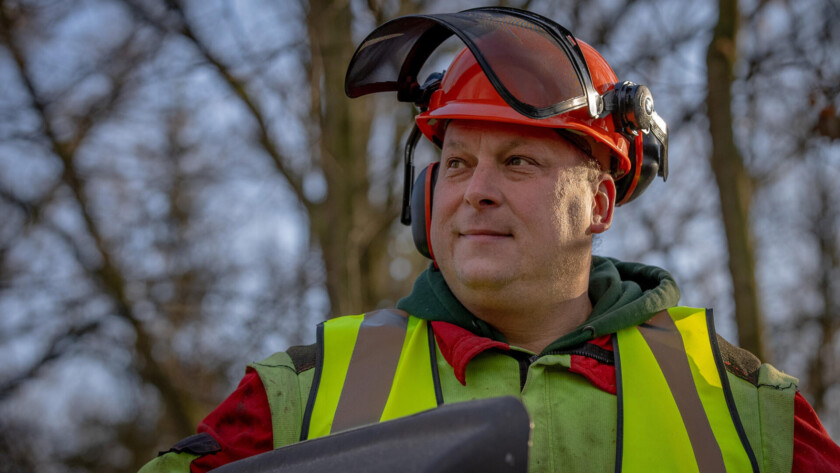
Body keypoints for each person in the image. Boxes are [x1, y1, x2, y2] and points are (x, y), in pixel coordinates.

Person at [139, 7, 840, 473]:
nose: (474, 190)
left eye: (518, 161)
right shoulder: (302, 390)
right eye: (456, 163)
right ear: (426, 197)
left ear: (598, 204)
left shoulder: (741, 398)